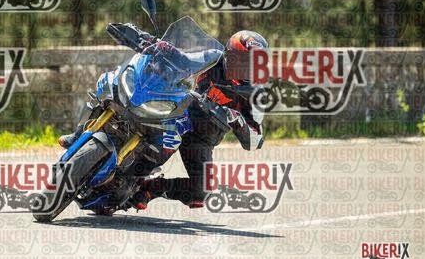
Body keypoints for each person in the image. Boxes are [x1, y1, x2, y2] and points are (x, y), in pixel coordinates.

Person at [58, 24, 268, 209]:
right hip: (179, 113)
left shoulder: (255, 93)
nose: (244, 67)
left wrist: (237, 119)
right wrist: (152, 42)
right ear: (229, 53)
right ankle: (79, 135)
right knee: (112, 89)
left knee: (201, 192)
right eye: (241, 60)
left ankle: (150, 188)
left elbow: (255, 140)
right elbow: (183, 59)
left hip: (202, 136)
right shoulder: (214, 58)